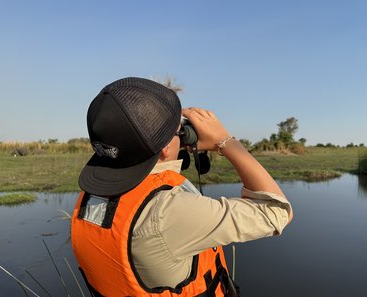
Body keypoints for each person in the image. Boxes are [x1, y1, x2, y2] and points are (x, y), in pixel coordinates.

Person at [71, 77, 293, 297]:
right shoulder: (168, 212)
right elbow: (276, 212)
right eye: (180, 130)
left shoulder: (91, 197)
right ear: (166, 146)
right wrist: (225, 141)